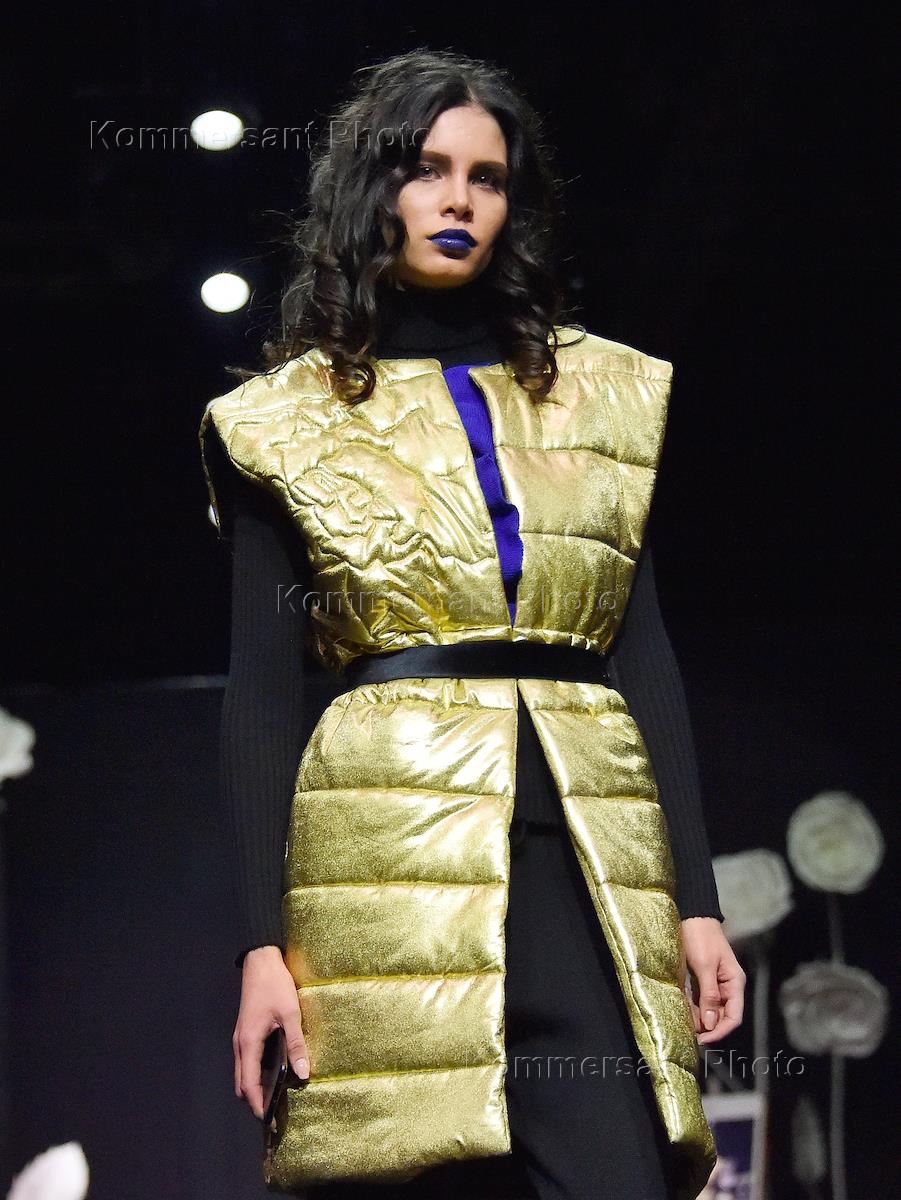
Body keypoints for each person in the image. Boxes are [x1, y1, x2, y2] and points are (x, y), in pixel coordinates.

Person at [199, 48, 745, 1200]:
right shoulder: (280, 422)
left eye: (485, 178)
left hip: (585, 862)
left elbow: (640, 649)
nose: (456, 201)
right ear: (372, 188)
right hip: (381, 871)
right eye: (426, 170)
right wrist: (260, 944)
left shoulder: (603, 397)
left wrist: (695, 902)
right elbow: (261, 690)